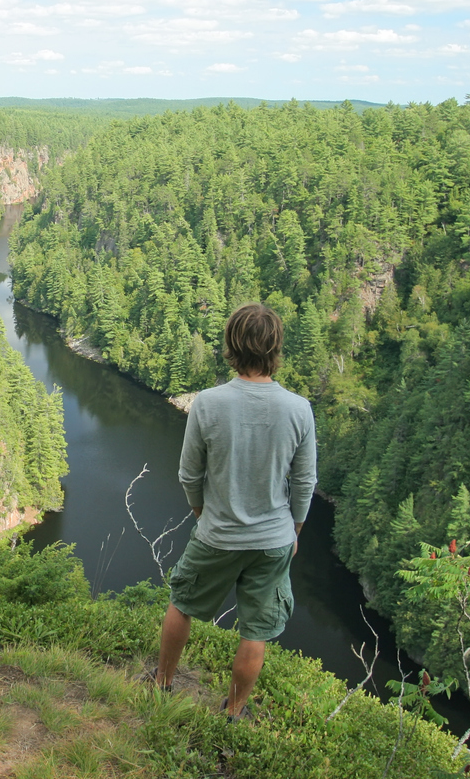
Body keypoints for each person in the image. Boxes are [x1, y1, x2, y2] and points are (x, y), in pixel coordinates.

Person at [152, 302, 317, 721]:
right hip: (274, 539)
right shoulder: (298, 409)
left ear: (231, 345)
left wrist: (200, 511)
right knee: (255, 631)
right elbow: (305, 482)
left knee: (182, 602)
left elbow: (190, 473)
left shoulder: (208, 403)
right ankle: (234, 710)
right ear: (275, 348)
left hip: (217, 534)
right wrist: (294, 530)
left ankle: (162, 684)